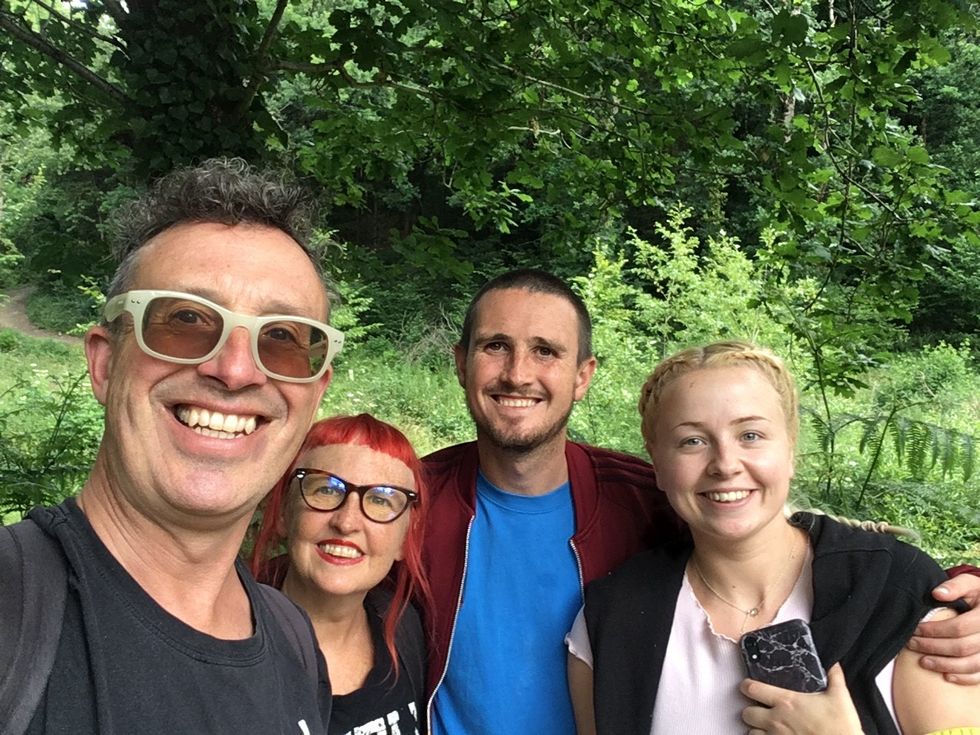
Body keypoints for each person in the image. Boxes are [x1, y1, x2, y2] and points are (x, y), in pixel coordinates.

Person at [421, 268, 980, 734]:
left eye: (545, 350)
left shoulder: (637, 496)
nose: (723, 463)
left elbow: (754, 518)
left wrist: (951, 586)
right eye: (496, 346)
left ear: (582, 375)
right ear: (460, 362)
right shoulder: (408, 503)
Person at [0, 158, 342, 733]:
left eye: (282, 339)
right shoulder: (10, 611)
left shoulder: (296, 645)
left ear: (314, 392)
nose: (235, 370)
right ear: (105, 363)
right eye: (185, 319)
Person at [567, 341, 979, 734]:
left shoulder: (896, 595)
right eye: (692, 441)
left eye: (750, 435)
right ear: (657, 464)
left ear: (790, 449)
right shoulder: (611, 621)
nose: (725, 464)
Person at [251, 414, 431, 735]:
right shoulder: (229, 652)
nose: (347, 522)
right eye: (325, 490)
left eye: (381, 499)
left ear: (406, 536)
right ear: (282, 512)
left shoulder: (407, 630)